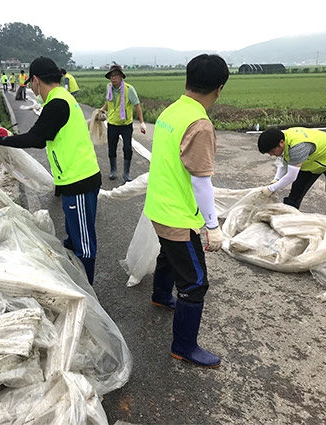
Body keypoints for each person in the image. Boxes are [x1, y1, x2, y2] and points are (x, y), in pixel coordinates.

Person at [0, 57, 101, 285]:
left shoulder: (57, 103)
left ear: (35, 80)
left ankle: (88, 297)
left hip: (79, 182)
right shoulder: (63, 98)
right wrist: (5, 136)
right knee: (73, 240)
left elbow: (36, 139)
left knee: (84, 247)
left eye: (30, 82)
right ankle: (75, 283)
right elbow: (43, 136)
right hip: (75, 180)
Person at [143, 53, 229, 368]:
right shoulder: (200, 123)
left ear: (186, 81)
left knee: (169, 255)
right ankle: (184, 346)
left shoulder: (173, 110)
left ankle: (161, 296)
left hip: (158, 206)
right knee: (194, 283)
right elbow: (202, 182)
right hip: (178, 214)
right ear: (219, 89)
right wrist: (213, 226)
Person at [257, 127, 326, 220]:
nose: (271, 155)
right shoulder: (284, 139)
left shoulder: (298, 147)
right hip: (313, 161)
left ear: (281, 143)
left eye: (272, 151)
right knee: (296, 192)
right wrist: (276, 179)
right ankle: (286, 220)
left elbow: (291, 176)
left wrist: (271, 188)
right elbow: (283, 161)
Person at [100, 65, 146, 182]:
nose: (113, 78)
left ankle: (126, 173)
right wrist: (102, 110)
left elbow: (137, 106)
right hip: (112, 123)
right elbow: (108, 102)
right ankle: (113, 170)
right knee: (112, 148)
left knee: (127, 148)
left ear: (121, 76)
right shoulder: (109, 88)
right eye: (111, 76)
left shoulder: (129, 89)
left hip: (126, 124)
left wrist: (141, 122)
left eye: (116, 75)